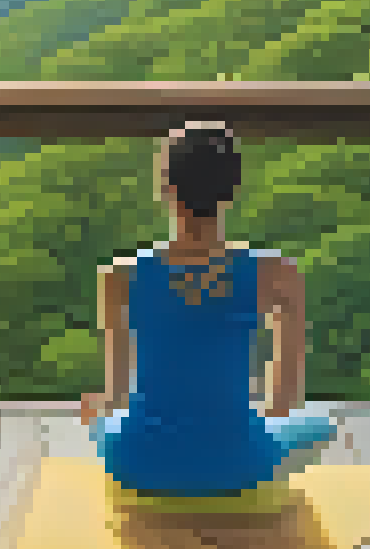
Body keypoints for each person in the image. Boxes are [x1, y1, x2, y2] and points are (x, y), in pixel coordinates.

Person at [84, 123, 339, 499]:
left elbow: (115, 394)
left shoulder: (118, 277)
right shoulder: (277, 274)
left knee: (101, 425)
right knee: (322, 423)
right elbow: (284, 398)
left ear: (164, 189)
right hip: (239, 464)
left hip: (137, 463)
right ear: (232, 192)